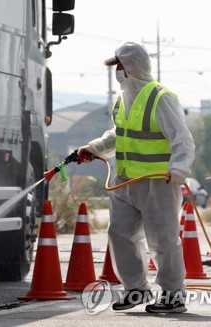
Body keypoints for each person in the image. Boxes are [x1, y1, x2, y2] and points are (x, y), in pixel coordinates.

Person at [77, 41, 195, 314]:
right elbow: (118, 135)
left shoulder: (160, 97)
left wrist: (179, 169)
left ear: (132, 67)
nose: (116, 72)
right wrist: (93, 148)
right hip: (125, 180)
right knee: (120, 234)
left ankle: (173, 295)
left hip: (158, 181)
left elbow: (182, 139)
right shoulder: (122, 100)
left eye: (119, 66)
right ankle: (136, 290)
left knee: (163, 240)